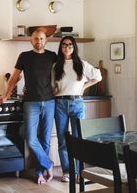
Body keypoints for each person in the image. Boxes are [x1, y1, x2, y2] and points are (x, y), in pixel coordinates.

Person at [0, 30, 57, 184]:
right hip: (31, 102)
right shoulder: (25, 56)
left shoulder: (52, 56)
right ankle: (48, 164)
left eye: (42, 39)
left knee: (45, 140)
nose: (39, 41)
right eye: (36, 38)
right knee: (31, 138)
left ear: (46, 40)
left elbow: (61, 75)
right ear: (31, 40)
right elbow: (14, 78)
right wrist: (5, 95)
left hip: (50, 102)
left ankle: (40, 173)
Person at [52, 36, 102, 183]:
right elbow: (53, 86)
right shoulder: (56, 65)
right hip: (60, 104)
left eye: (70, 45)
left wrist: (83, 87)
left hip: (77, 103)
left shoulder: (81, 64)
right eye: (64, 45)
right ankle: (67, 172)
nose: (67, 48)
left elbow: (98, 76)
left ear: (74, 47)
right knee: (62, 140)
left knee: (79, 139)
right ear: (61, 47)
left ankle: (80, 172)